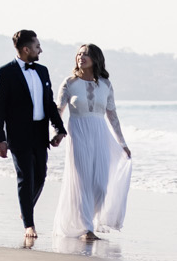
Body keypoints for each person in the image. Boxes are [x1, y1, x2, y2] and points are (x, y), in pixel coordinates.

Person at [0, 31, 67, 246]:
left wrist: (59, 128)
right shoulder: (5, 72)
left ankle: (26, 211)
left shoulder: (42, 71)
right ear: (26, 49)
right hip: (18, 134)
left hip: (39, 132)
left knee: (41, 176)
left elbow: (49, 104)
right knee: (26, 177)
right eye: (37, 46)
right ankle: (29, 225)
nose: (40, 50)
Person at [53, 43, 133, 243]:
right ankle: (86, 228)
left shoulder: (105, 84)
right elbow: (58, 112)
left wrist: (122, 143)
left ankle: (89, 221)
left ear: (96, 58)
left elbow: (113, 116)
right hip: (78, 134)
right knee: (81, 182)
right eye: (79, 54)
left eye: (86, 54)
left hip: (100, 135)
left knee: (100, 185)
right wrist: (58, 132)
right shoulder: (70, 82)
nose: (81, 57)